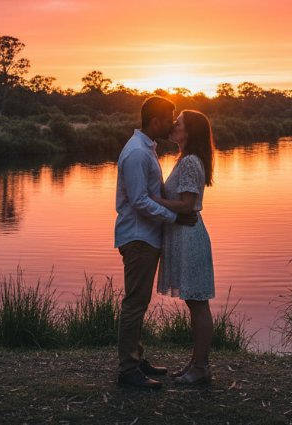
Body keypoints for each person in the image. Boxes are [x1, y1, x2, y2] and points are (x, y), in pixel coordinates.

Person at [115, 96, 197, 389]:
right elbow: (138, 201)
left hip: (146, 236)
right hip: (138, 237)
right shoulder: (137, 153)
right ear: (155, 121)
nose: (173, 122)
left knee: (140, 301)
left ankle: (136, 358)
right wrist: (173, 218)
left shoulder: (145, 149)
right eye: (170, 117)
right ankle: (128, 370)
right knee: (134, 303)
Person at [153, 109, 216, 385]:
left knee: (198, 304)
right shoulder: (185, 159)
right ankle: (196, 364)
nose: (172, 125)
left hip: (190, 237)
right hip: (184, 235)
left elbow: (187, 205)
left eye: (177, 123)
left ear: (188, 132)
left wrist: (152, 199)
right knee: (195, 303)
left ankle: (201, 367)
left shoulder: (190, 162)